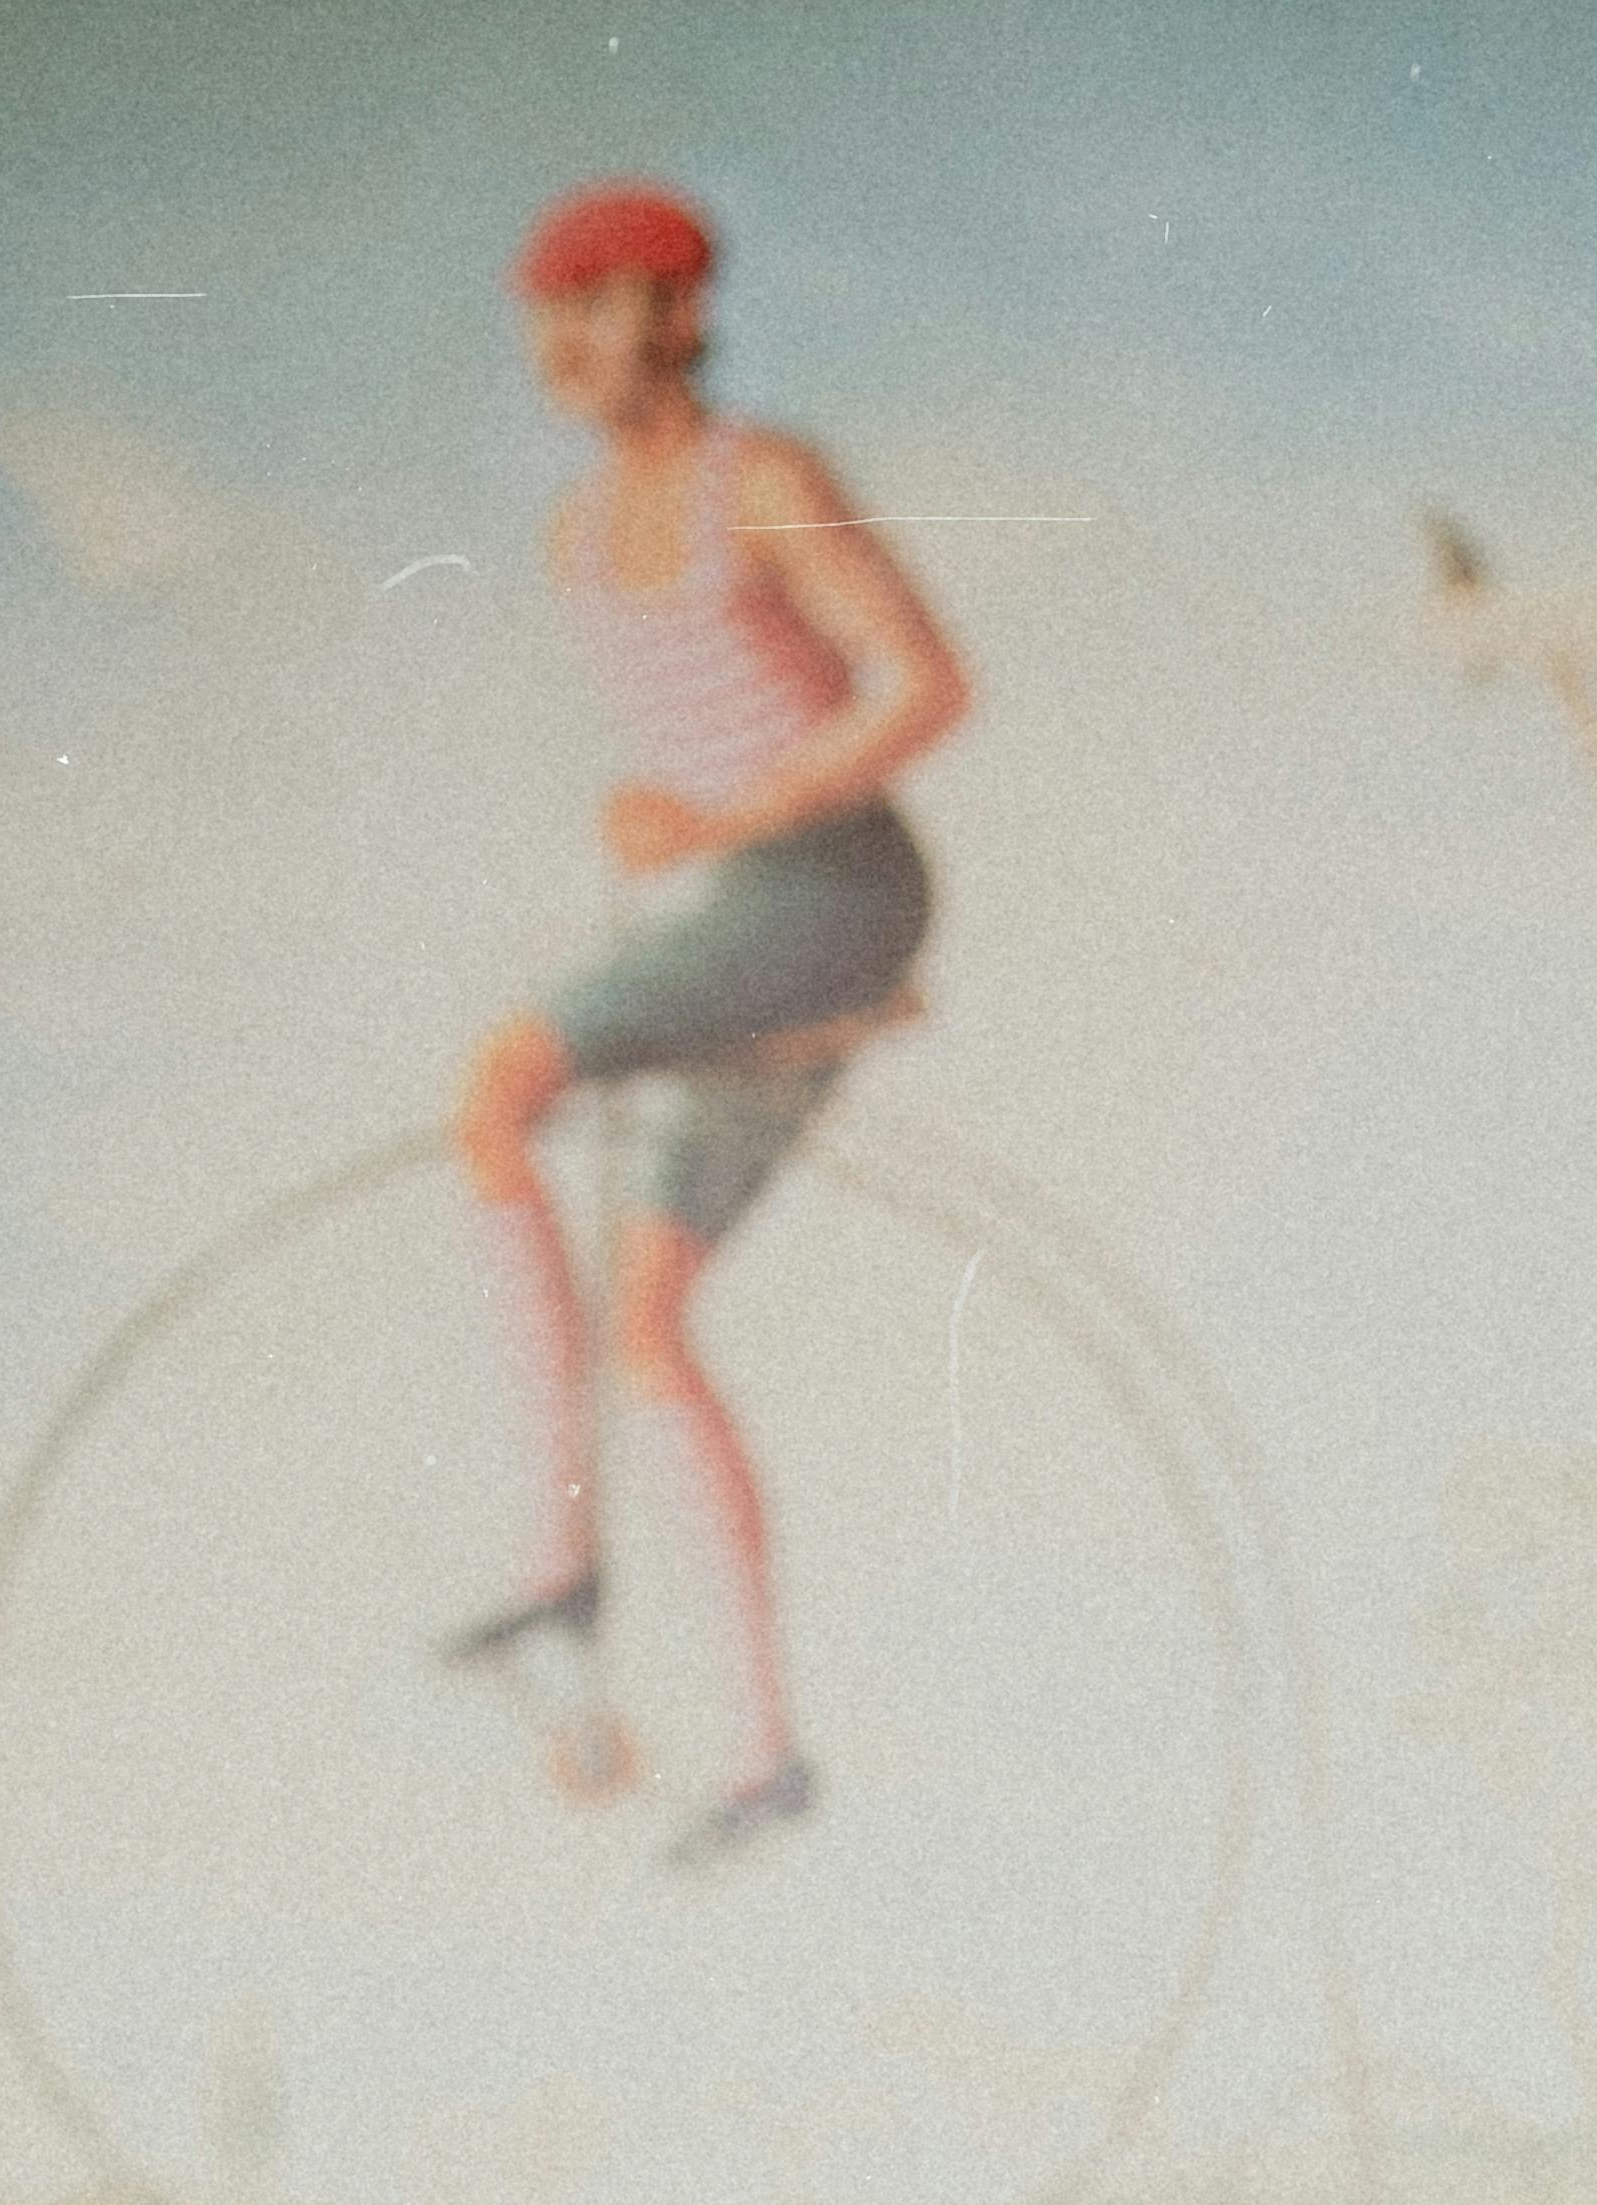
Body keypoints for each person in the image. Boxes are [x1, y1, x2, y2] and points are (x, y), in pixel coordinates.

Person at [446, 184, 970, 1868]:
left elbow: (925, 684)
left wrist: (719, 824)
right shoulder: (580, 534)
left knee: (497, 1098)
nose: (566, 358)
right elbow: (710, 722)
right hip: (740, 903)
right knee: (652, 1330)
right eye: (547, 327)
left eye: (599, 316)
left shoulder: (768, 481)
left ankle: (558, 1566)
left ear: (677, 313)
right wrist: (666, 821)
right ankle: (763, 1750)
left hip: (831, 891)